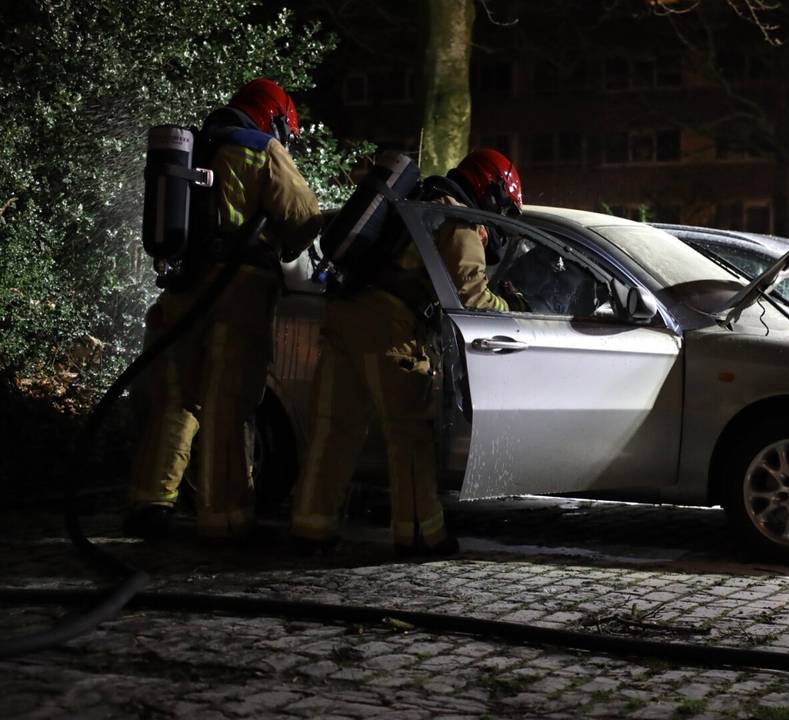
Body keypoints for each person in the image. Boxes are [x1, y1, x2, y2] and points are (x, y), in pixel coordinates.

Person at [290, 148, 522, 557]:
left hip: (344, 314)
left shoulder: (415, 202)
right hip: (389, 327)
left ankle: (311, 527)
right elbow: (472, 297)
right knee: (409, 436)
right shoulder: (457, 220)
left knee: (334, 431)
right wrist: (514, 309)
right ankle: (419, 534)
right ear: (489, 190)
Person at [124, 79, 323, 541]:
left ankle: (149, 503)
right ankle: (227, 517)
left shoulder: (194, 148)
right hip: (239, 290)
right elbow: (305, 216)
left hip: (182, 289)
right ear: (273, 118)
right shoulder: (261, 147)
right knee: (228, 402)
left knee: (177, 401)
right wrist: (282, 243)